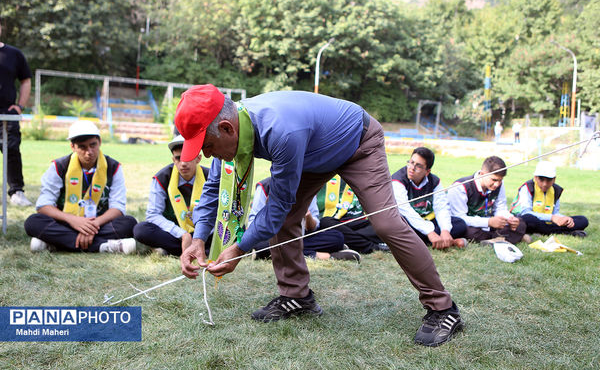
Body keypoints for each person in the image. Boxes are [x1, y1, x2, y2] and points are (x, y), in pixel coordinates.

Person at [176, 84, 463, 347]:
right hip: (311, 150)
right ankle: (296, 296)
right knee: (289, 218)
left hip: (357, 142)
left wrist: (238, 249)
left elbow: (276, 207)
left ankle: (443, 308)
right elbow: (215, 186)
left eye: (208, 147)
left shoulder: (280, 130)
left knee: (386, 223)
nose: (209, 156)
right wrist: (199, 237)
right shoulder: (232, 123)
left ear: (227, 129)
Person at [24, 120, 137, 253]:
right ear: (73, 147)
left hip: (99, 224)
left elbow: (117, 208)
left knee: (128, 223)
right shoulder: (59, 166)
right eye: (82, 147)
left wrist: (92, 225)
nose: (89, 152)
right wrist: (73, 220)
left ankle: (56, 243)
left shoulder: (113, 167)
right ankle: (104, 246)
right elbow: (43, 206)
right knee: (33, 222)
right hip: (66, 222)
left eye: (93, 145)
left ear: (99, 142)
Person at [133, 135, 211, 256]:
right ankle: (202, 250)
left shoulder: (211, 177)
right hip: (175, 234)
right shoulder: (161, 178)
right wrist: (182, 234)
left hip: (205, 233)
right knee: (141, 230)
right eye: (178, 158)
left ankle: (173, 250)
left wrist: (199, 236)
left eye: (188, 157)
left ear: (198, 158)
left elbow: (219, 213)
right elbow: (153, 215)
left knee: (231, 228)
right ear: (173, 160)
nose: (183, 163)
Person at [249, 177, 361, 261]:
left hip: (301, 237)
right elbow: (252, 224)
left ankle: (267, 253)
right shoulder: (265, 186)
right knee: (261, 245)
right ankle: (327, 256)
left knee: (337, 237)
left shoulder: (307, 188)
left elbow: (314, 226)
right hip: (273, 238)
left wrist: (307, 216)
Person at [391, 147, 467, 249]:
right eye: (411, 162)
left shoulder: (435, 181)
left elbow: (441, 208)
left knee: (460, 224)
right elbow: (406, 210)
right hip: (407, 221)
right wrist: (429, 232)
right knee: (400, 228)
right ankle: (443, 240)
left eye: (418, 166)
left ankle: (437, 239)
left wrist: (445, 231)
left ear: (427, 171)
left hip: (427, 220)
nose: (411, 168)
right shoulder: (398, 180)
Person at [448, 155, 528, 244]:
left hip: (490, 223)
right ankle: (509, 237)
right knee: (468, 231)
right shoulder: (460, 187)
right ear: (482, 174)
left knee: (520, 223)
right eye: (494, 180)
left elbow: (500, 208)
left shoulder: (498, 184)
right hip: (472, 225)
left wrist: (509, 219)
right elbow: (460, 218)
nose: (497, 184)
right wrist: (488, 222)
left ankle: (497, 238)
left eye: (500, 180)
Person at [0, 19, 33, 206]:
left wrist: (20, 106)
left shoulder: (13, 54)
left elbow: (25, 80)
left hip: (6, 113)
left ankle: (16, 192)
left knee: (12, 151)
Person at [510, 161, 588, 237]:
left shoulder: (556, 190)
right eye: (541, 179)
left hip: (547, 222)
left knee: (583, 220)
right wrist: (552, 218)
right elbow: (525, 212)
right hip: (529, 220)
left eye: (549, 180)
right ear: (535, 178)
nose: (545, 184)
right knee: (528, 219)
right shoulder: (527, 188)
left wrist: (565, 219)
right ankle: (565, 231)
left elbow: (555, 213)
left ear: (554, 179)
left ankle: (547, 231)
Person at [316, 175, 389, 254]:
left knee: (386, 223)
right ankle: (371, 247)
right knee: (326, 222)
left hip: (354, 222)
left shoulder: (360, 174)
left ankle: (347, 242)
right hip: (330, 223)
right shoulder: (320, 172)